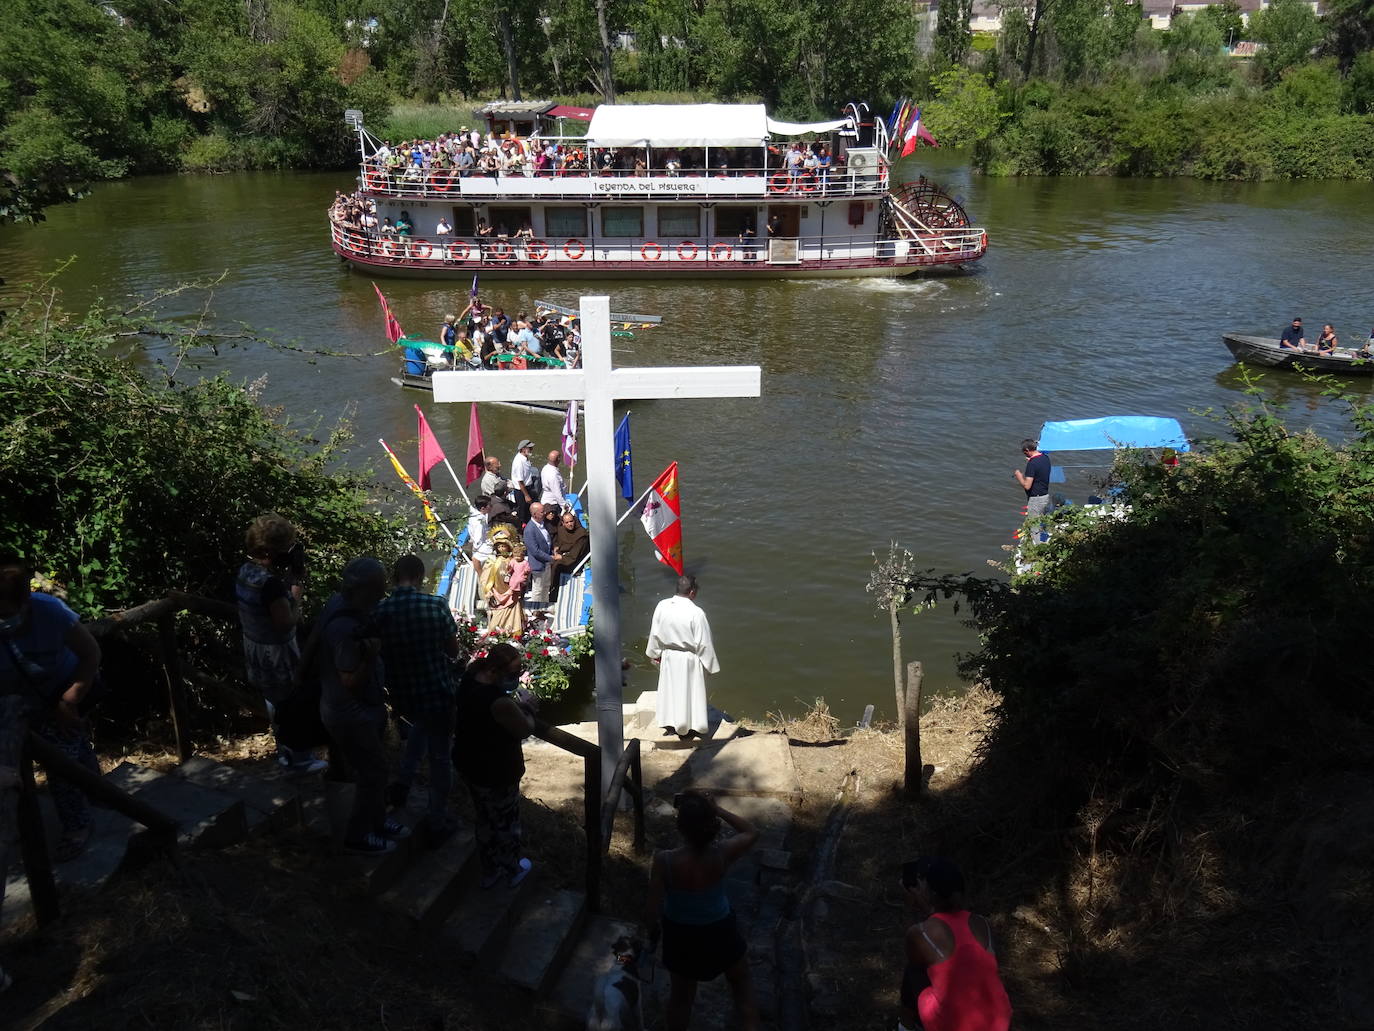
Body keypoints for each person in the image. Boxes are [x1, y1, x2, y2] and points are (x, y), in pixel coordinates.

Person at [0, 552, 102, 864]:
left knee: (60, 763)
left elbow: (91, 654)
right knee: (70, 746)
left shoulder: (50, 611)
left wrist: (69, 699)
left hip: (66, 687)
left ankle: (78, 825)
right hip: (18, 700)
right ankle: (98, 789)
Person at [643, 791, 759, 1031]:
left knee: (681, 999)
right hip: (721, 930)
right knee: (742, 987)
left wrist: (653, 932)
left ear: (680, 826)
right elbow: (751, 832)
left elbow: (651, 911)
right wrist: (717, 810)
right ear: (711, 825)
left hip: (681, 936)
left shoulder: (664, 861)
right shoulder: (722, 853)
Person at [318, 557, 410, 856]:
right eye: (377, 590)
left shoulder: (338, 605)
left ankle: (379, 820)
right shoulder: (344, 628)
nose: (381, 596)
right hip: (349, 711)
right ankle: (359, 835)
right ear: (362, 589)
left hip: (359, 708)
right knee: (373, 772)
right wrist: (372, 656)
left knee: (376, 769)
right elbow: (349, 681)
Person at [374, 555, 460, 842]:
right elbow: (452, 651)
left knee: (415, 737)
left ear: (394, 576)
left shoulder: (380, 609)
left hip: (403, 696)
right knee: (439, 758)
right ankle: (437, 820)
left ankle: (401, 785)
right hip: (436, 692)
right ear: (420, 576)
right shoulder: (435, 605)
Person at [235, 514, 327, 773]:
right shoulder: (270, 585)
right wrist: (296, 588)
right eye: (285, 548)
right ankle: (300, 759)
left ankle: (283, 752)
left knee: (274, 704)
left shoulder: (245, 571)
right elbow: (287, 622)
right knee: (294, 705)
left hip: (254, 647)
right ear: (269, 551)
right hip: (277, 655)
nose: (289, 553)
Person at [453, 643, 537, 889]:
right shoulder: (498, 702)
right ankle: (511, 869)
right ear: (497, 671)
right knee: (507, 822)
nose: (516, 677)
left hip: (469, 762)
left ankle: (489, 870)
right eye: (513, 673)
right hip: (496, 770)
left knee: (485, 818)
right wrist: (530, 708)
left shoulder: (470, 678)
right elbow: (525, 729)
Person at [899, 856, 1012, 1031]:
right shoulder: (982, 923)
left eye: (922, 883)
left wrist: (914, 905)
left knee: (913, 969)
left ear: (930, 892)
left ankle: (905, 1027)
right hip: (998, 1022)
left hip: (949, 1025)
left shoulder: (921, 933)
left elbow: (914, 950)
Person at [648, 576, 720, 740]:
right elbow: (704, 644)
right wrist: (710, 666)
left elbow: (655, 633)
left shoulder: (662, 606)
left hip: (668, 656)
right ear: (692, 592)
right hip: (689, 659)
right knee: (690, 693)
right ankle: (691, 727)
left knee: (671, 691)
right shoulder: (696, 613)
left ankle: (671, 725)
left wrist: (655, 653)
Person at [482, 537, 525, 633]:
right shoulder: (492, 561)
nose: (501, 548)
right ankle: (495, 633)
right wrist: (488, 590)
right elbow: (485, 578)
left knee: (513, 616)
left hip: (511, 593)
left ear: (508, 547)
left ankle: (513, 633)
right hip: (498, 593)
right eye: (499, 547)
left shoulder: (513, 561)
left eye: (503, 546)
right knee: (497, 618)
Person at [550, 509, 590, 602]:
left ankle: (553, 591)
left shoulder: (581, 534)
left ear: (574, 521)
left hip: (574, 560)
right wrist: (556, 548)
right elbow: (558, 542)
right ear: (563, 523)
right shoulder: (562, 530)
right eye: (567, 522)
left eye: (571, 521)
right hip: (563, 554)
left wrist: (562, 557)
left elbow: (575, 554)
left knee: (557, 566)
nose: (570, 524)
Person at [522, 502, 555, 612]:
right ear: (535, 514)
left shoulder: (542, 524)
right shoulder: (529, 529)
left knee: (546, 586)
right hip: (538, 563)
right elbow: (535, 551)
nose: (545, 513)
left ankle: (543, 609)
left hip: (546, 562)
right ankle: (536, 611)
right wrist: (551, 558)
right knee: (538, 589)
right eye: (542, 512)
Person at [1013, 439, 1053, 518]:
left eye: (1024, 452)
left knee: (1034, 526)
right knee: (1041, 521)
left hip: (1036, 499)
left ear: (1027, 450)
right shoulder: (1045, 458)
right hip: (1044, 496)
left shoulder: (1032, 464)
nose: (1024, 454)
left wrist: (1019, 476)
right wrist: (1031, 460)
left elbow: (1027, 486)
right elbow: (1038, 467)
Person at [511, 439, 539, 524]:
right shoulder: (519, 462)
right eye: (529, 448)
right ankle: (523, 528)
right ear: (523, 449)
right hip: (522, 491)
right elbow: (520, 481)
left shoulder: (525, 458)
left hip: (528, 487)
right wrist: (526, 495)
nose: (531, 450)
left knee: (530, 508)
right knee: (523, 512)